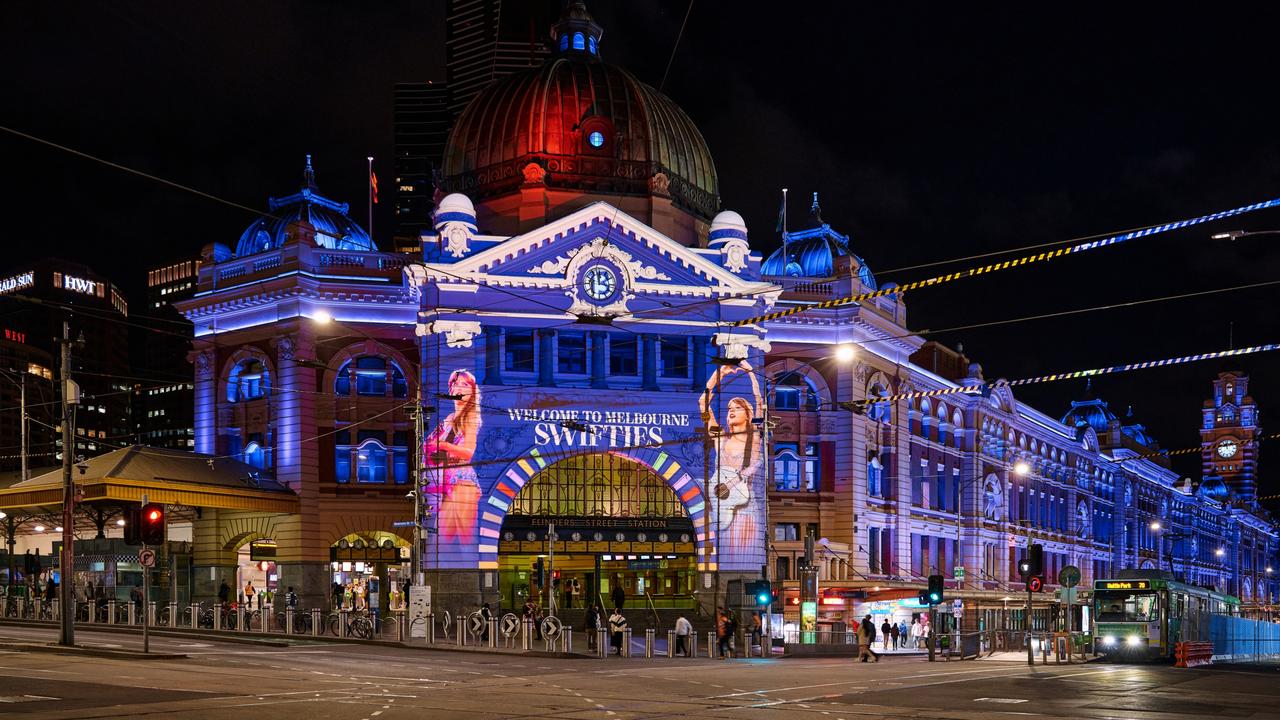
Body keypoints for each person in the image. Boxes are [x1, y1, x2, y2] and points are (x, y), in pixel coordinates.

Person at [700, 363, 764, 551]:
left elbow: (759, 402)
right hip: (720, 506)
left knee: (741, 552)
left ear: (748, 414)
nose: (732, 411)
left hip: (745, 509)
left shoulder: (754, 438)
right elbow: (703, 404)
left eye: (737, 407)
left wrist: (751, 373)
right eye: (729, 409)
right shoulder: (721, 438)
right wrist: (718, 374)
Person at [425, 369, 482, 542]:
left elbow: (468, 452)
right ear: (450, 390)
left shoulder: (471, 417)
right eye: (456, 384)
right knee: (444, 539)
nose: (460, 388)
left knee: (464, 541)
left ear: (472, 391)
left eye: (465, 384)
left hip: (461, 482)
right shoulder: (450, 418)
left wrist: (443, 445)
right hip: (442, 481)